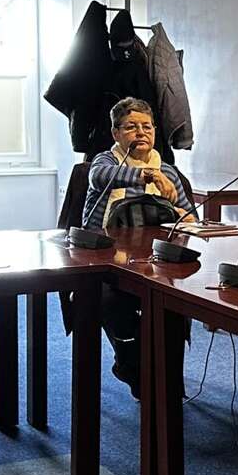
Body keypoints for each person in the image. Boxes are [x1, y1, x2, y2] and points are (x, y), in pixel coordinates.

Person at [81, 97, 193, 393]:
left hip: (155, 263)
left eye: (147, 127)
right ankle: (131, 363)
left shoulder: (168, 171)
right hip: (106, 259)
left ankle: (166, 386)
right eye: (131, 127)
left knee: (173, 303)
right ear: (116, 133)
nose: (141, 133)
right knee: (111, 302)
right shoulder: (106, 162)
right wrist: (147, 176)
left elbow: (190, 218)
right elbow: (99, 177)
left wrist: (181, 212)